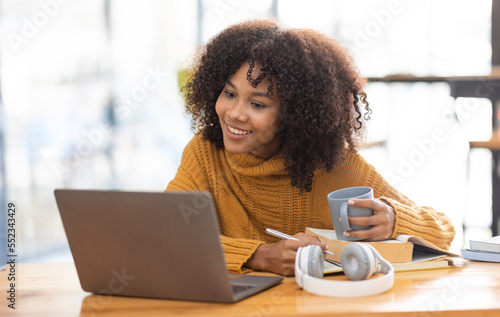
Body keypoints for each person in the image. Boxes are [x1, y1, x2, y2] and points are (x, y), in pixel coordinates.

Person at [167, 20, 455, 276]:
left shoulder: (337, 169)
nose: (235, 114)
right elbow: (165, 233)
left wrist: (394, 219)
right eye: (229, 94)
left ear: (294, 115)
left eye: (257, 104)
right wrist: (258, 256)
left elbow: (443, 230)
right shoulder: (205, 152)